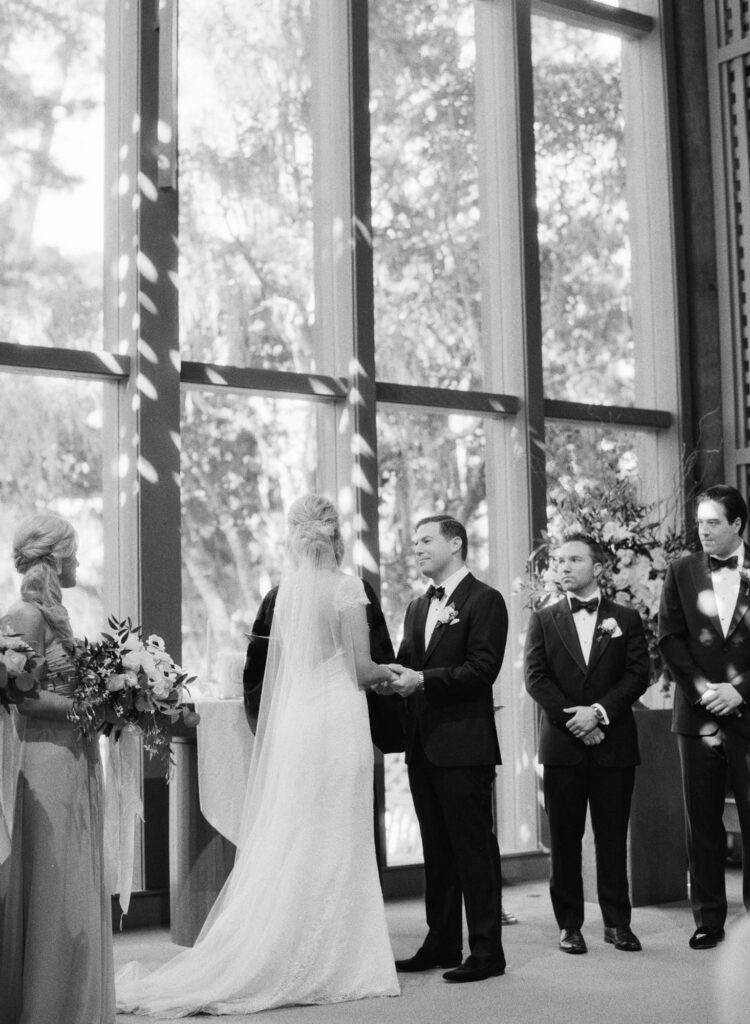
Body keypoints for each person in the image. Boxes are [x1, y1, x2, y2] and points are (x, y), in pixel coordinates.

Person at [117, 494, 401, 1014]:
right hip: (338, 722)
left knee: (302, 830)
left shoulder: (287, 592)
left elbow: (279, 668)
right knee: (341, 829)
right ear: (337, 539)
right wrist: (397, 676)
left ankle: (293, 941)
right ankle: (340, 956)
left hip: (298, 727)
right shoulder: (348, 589)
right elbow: (362, 670)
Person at [0, 511, 116, 1024]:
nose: (79, 561)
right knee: (53, 887)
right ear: (55, 557)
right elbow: (21, 700)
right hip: (45, 759)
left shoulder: (55, 614)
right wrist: (94, 709)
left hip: (75, 754)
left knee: (74, 881)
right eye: (74, 551)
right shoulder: (23, 616)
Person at [387, 514, 507, 983]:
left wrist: (422, 680)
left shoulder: (486, 600)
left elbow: (482, 669)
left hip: (464, 747)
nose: (414, 548)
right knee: (436, 851)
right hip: (423, 747)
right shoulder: (417, 607)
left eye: (425, 540)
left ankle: (487, 953)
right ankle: (441, 943)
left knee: (473, 851)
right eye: (413, 541)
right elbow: (405, 664)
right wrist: (384, 676)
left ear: (455, 543)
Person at [524, 534, 649, 956]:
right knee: (564, 838)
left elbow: (637, 675)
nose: (563, 566)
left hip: (613, 742)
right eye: (559, 561)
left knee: (612, 838)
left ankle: (617, 923)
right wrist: (574, 719)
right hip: (563, 745)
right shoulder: (543, 619)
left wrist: (597, 713)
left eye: (574, 559)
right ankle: (569, 926)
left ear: (597, 569)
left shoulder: (626, 619)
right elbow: (536, 678)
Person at [658, 484, 750, 950]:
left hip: (749, 711)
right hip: (697, 718)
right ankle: (709, 919)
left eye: (713, 522)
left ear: (737, 524)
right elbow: (670, 640)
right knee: (702, 820)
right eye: (700, 523)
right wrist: (706, 694)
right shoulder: (681, 571)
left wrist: (740, 691)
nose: (704, 530)